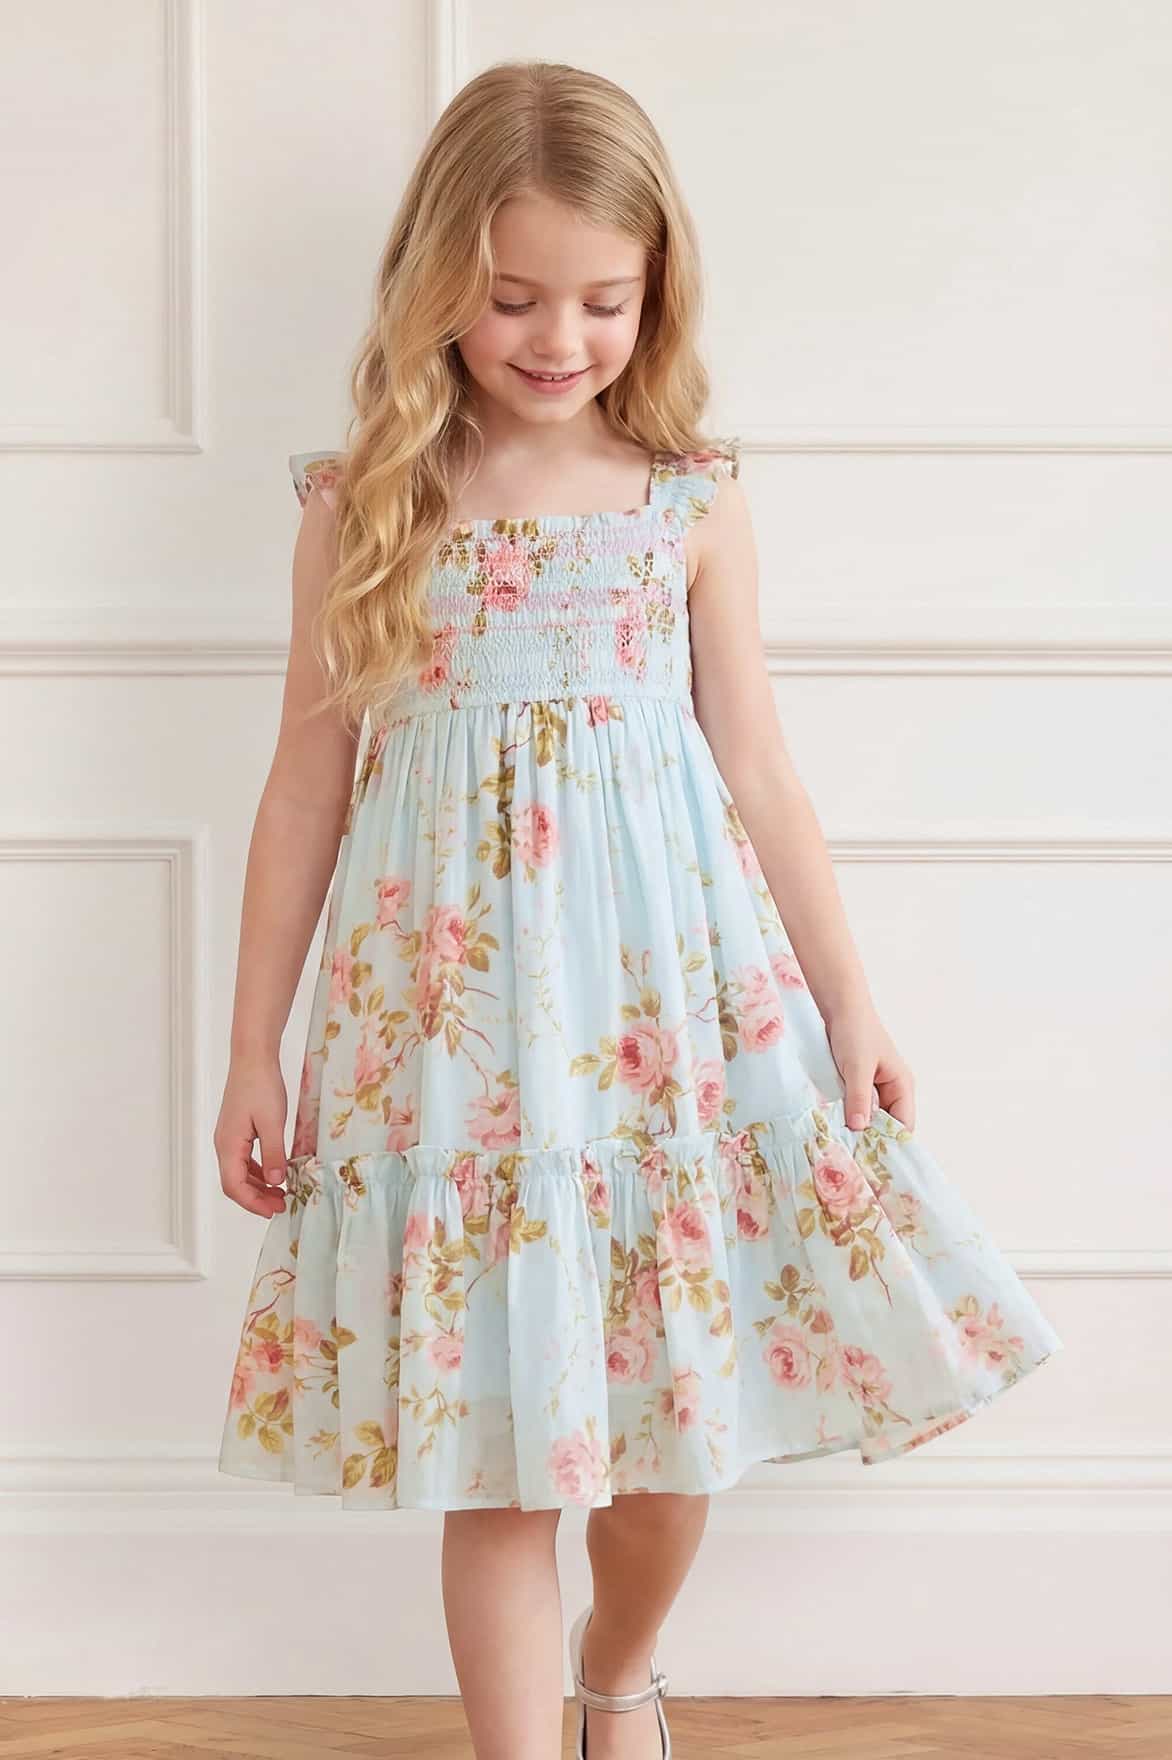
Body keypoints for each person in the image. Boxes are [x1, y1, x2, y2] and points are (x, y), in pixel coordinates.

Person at [215, 58, 1063, 1760]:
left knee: (669, 1437)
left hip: (665, 1013)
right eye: (513, 296)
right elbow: (305, 785)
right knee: (500, 1455)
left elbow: (760, 767)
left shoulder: (689, 493)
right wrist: (255, 1047)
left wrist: (853, 1002)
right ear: (436, 281)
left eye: (602, 301)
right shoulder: (364, 504)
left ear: (656, 289)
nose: (558, 337)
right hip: (448, 1040)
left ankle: (624, 1667)